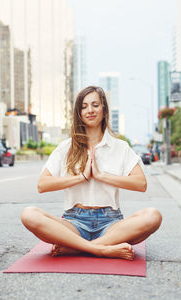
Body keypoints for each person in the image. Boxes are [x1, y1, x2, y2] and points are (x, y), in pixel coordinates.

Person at [21, 86, 162, 260]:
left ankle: (79, 248)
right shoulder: (66, 147)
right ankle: (101, 249)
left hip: (111, 224)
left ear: (104, 109)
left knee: (153, 216)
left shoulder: (120, 147)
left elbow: (141, 184)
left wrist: (101, 176)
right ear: (79, 113)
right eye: (84, 106)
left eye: (95, 105)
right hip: (73, 223)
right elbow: (42, 185)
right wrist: (81, 177)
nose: (90, 110)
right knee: (29, 214)